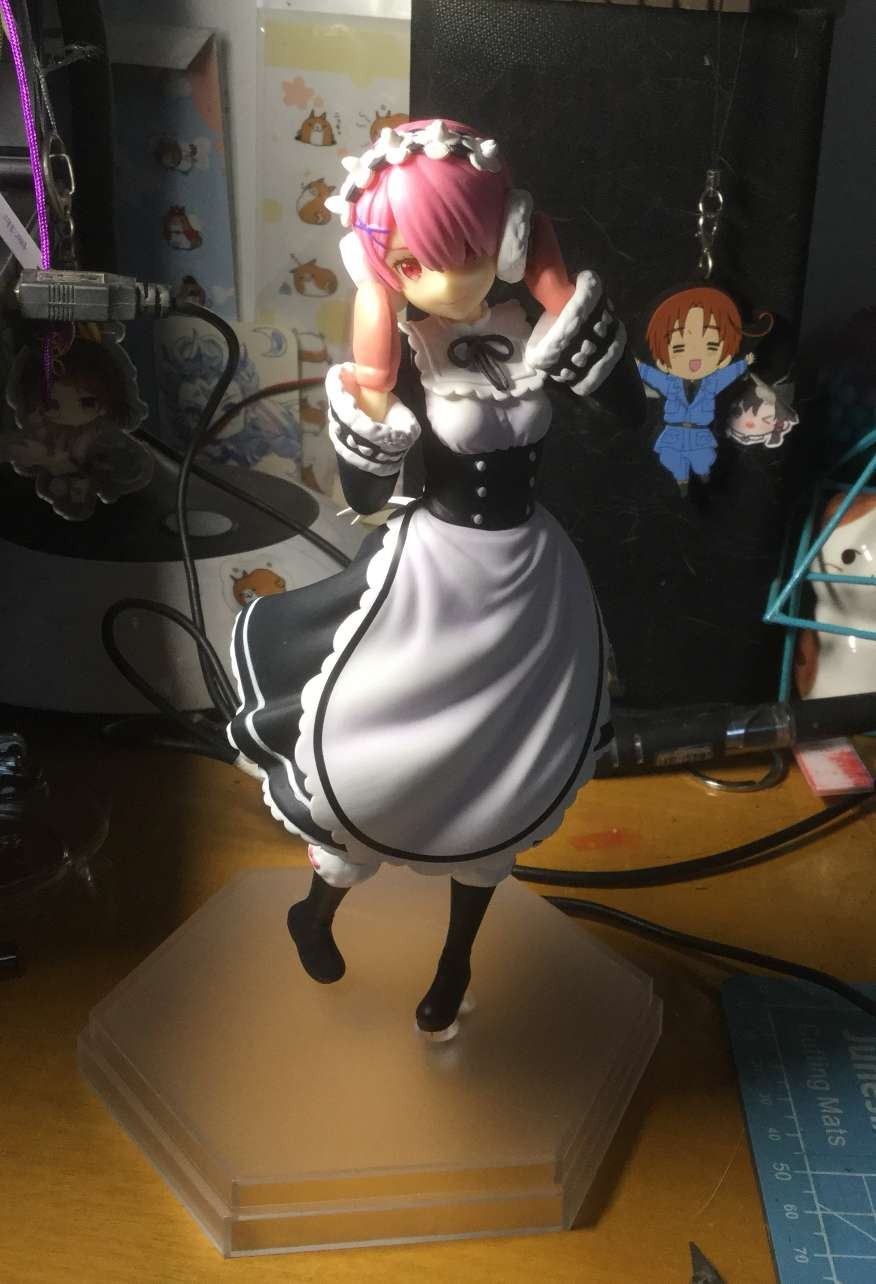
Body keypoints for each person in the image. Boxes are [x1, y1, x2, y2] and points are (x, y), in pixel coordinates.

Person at [227, 119, 643, 1038]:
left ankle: (455, 963)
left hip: (529, 581)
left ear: (508, 234)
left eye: (467, 250)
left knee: (506, 769)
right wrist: (374, 375)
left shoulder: (528, 329)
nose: (446, 282)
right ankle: (317, 911)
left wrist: (558, 292)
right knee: (381, 754)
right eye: (413, 263)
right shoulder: (408, 352)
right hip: (438, 575)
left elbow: (631, 411)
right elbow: (365, 493)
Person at [637, 286, 754, 488]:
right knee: (672, 459)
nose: (694, 358)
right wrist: (638, 366)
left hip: (700, 434)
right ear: (663, 361)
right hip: (674, 434)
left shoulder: (711, 382)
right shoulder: (670, 383)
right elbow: (652, 375)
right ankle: (681, 479)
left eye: (711, 346)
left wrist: (743, 363)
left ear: (724, 357)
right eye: (679, 348)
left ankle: (703, 473)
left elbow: (727, 375)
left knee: (703, 459)